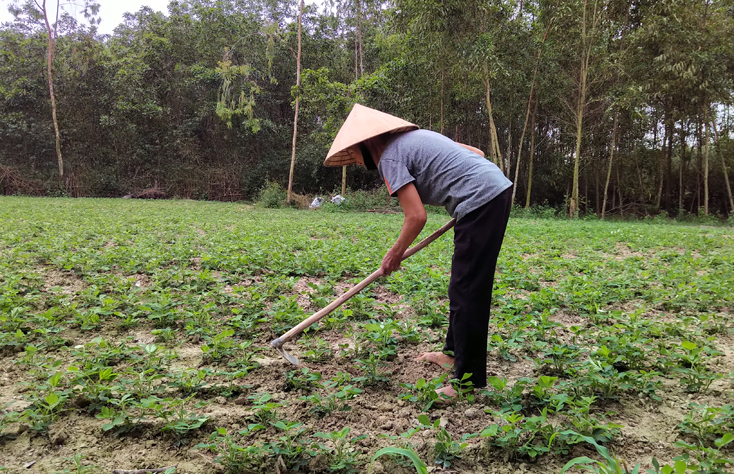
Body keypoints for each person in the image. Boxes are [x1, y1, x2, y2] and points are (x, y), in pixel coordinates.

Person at [324, 104, 513, 401]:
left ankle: (468, 381)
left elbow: (416, 216)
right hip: (491, 192)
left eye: (355, 154)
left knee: (468, 290)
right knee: (462, 285)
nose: (358, 162)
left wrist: (395, 252)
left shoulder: (390, 157)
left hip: (481, 201)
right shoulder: (418, 138)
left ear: (366, 143)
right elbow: (477, 153)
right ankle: (452, 354)